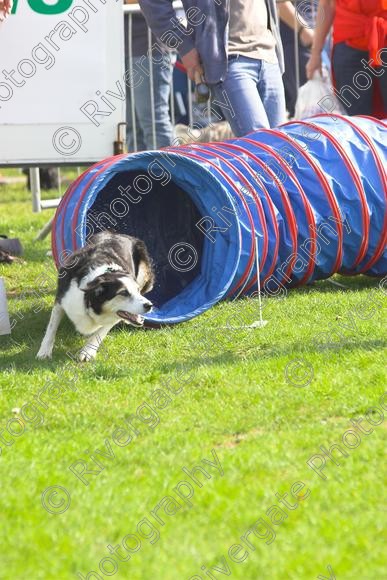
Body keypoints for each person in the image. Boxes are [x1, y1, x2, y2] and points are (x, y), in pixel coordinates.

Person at [138, 0, 287, 137]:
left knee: (280, 149)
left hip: (269, 56)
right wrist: (184, 45)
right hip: (230, 62)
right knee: (261, 147)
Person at [306, 0, 387, 117]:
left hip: (383, 38)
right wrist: (315, 54)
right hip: (347, 44)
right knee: (355, 122)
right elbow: (327, 4)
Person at [125, 0, 176, 150]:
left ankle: (167, 172)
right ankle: (136, 173)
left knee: (154, 124)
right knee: (131, 129)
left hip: (149, 49)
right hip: (124, 48)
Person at [278, 1, 316, 117]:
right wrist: (303, 30)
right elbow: (279, 3)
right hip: (298, 41)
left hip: (318, 37)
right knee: (307, 110)